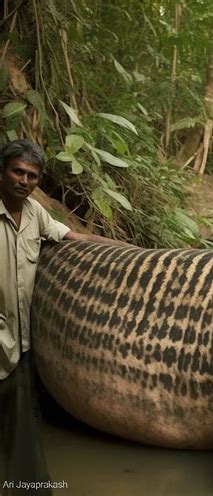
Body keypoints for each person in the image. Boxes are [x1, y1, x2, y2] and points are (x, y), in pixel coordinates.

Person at [0, 139, 127, 492]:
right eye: (17, 171)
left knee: (22, 430)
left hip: (20, 343)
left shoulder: (35, 213)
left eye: (32, 176)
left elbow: (74, 236)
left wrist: (131, 250)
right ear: (2, 172)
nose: (24, 181)